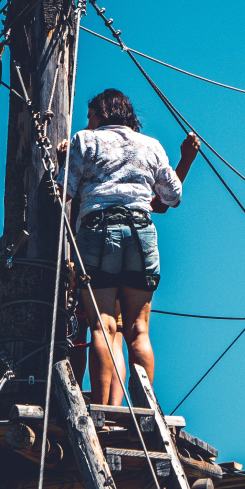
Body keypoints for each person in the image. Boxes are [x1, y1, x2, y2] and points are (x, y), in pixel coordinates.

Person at [65, 89, 199, 405]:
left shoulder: (86, 140)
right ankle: (145, 410)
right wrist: (186, 160)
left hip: (99, 230)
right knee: (138, 332)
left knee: (102, 326)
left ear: (102, 113)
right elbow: (171, 198)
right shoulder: (150, 146)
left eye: (90, 116)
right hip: (141, 232)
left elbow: (62, 191)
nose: (88, 123)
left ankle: (101, 410)